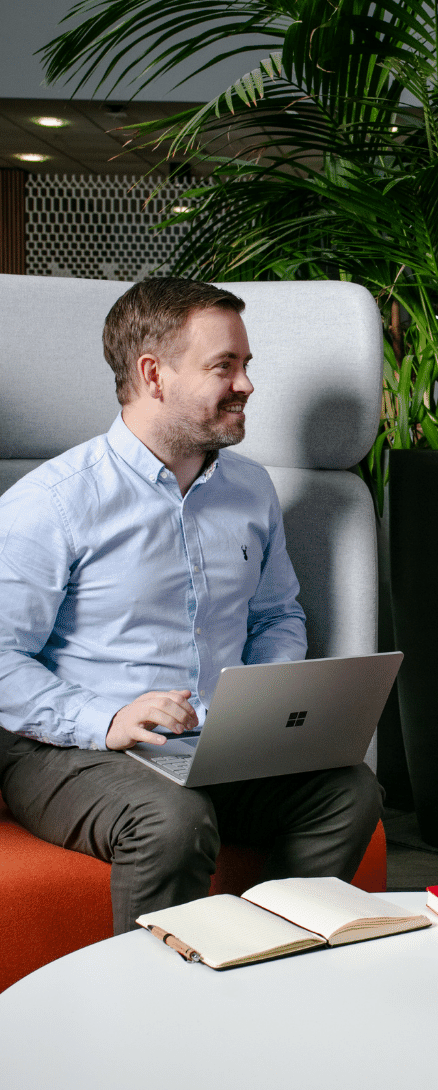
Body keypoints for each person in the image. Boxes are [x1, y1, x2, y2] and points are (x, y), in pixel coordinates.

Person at [0, 278, 383, 934]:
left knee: (349, 794)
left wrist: (263, 700)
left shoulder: (250, 488)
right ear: (154, 375)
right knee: (173, 820)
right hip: (67, 749)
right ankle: (157, 994)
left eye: (246, 364)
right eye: (223, 366)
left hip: (213, 744)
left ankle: (265, 950)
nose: (246, 384)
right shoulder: (52, 502)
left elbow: (276, 615)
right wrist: (107, 718)